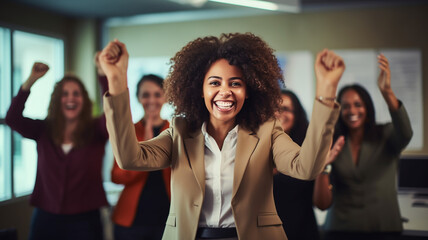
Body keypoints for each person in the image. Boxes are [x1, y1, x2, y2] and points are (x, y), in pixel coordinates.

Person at [99, 33, 345, 240]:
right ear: (201, 90)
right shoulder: (180, 131)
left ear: (248, 91)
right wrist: (117, 81)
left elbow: (307, 167)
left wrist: (326, 92)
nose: (225, 91)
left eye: (235, 83)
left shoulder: (267, 131)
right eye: (214, 83)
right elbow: (131, 159)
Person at [313, 54, 413, 240]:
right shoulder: (333, 141)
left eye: (358, 105)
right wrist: (323, 166)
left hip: (383, 228)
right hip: (340, 229)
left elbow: (406, 133)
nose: (352, 111)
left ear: (367, 108)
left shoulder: (386, 134)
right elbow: (322, 202)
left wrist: (387, 92)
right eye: (346, 106)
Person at [5, 62, 109, 240]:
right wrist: (31, 81)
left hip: (85, 220)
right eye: (65, 94)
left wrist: (103, 75)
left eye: (76, 93)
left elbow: (113, 114)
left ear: (84, 99)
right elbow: (12, 118)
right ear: (57, 99)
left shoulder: (97, 130)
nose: (71, 98)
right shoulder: (43, 130)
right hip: (46, 217)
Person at [111, 74, 171, 240]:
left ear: (165, 97)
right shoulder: (128, 132)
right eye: (146, 95)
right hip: (132, 222)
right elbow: (116, 176)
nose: (152, 100)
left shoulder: (176, 132)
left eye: (157, 94)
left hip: (168, 219)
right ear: (138, 98)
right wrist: (143, 144)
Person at [273, 89, 320, 240]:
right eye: (275, 108)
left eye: (286, 109)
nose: (280, 113)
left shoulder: (308, 150)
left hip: (302, 231)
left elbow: (322, 203)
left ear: (297, 115)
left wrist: (324, 166)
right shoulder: (254, 147)